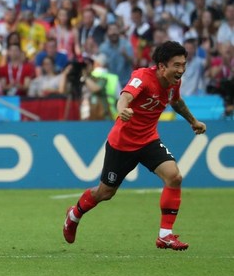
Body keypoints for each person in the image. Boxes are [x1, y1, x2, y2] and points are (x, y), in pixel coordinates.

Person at [62, 41, 207, 251]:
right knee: (105, 192)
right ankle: (74, 214)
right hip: (122, 143)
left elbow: (176, 102)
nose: (181, 70)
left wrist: (193, 121)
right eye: (176, 65)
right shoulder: (143, 77)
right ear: (161, 66)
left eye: (183, 64)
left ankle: (165, 235)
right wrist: (123, 110)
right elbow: (125, 97)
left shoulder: (174, 82)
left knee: (174, 176)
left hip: (148, 140)